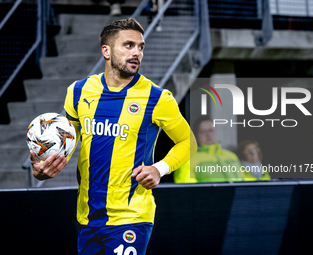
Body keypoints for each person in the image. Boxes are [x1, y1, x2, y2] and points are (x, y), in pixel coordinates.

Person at [29, 18, 196, 255]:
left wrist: (160, 168)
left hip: (131, 217)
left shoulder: (158, 98)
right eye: (128, 45)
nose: (136, 52)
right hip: (87, 217)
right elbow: (67, 140)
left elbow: (188, 142)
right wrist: (42, 165)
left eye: (140, 47)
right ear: (106, 51)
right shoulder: (78, 92)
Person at [174, 116, 243, 183]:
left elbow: (247, 180)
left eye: (211, 130)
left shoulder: (231, 156)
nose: (208, 135)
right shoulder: (188, 160)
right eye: (203, 132)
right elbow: (187, 188)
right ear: (196, 136)